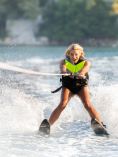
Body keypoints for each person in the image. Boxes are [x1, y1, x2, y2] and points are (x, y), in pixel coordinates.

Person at [48, 43, 104, 128]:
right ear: (68, 54)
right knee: (62, 104)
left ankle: (100, 124)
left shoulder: (86, 62)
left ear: (80, 54)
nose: (74, 57)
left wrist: (81, 73)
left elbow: (85, 69)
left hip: (80, 85)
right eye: (72, 54)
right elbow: (62, 69)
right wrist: (65, 73)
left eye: (76, 54)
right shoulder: (64, 62)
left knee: (87, 104)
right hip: (68, 86)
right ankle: (48, 125)